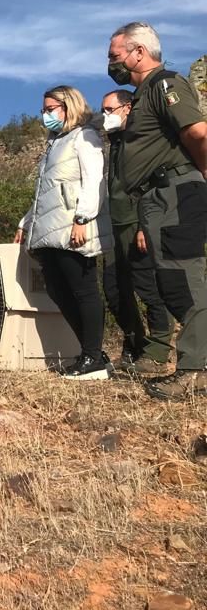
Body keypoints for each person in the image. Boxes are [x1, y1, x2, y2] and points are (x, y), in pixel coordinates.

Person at [107, 22, 207, 400]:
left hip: (175, 191)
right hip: (157, 197)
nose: (110, 62)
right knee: (170, 282)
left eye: (114, 55)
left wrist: (202, 172)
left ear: (138, 52)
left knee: (184, 280)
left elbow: (197, 133)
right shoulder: (145, 92)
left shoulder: (166, 83)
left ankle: (196, 370)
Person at [15, 86, 113, 380]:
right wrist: (25, 222)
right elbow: (44, 194)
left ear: (68, 107)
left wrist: (82, 218)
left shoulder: (85, 137)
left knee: (83, 290)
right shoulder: (53, 143)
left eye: (50, 109)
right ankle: (94, 353)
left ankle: (92, 358)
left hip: (73, 226)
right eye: (43, 110)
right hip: (48, 231)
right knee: (58, 291)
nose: (45, 115)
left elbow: (94, 179)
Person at [100, 88, 174, 375]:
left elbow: (153, 185)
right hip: (113, 226)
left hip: (137, 223)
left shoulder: (143, 140)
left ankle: (158, 352)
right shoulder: (115, 142)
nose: (105, 116)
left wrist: (145, 226)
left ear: (128, 108)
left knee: (148, 287)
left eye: (109, 109)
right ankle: (135, 346)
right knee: (115, 290)